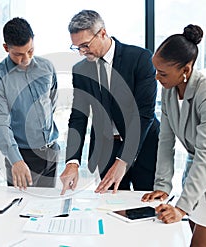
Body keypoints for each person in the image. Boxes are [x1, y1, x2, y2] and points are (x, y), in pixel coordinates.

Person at [60, 10, 160, 195]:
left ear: (102, 33)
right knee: (112, 209)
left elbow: (144, 114)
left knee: (146, 206)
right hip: (106, 149)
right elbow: (78, 117)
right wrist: (72, 161)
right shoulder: (80, 70)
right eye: (77, 48)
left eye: (85, 45)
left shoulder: (140, 58)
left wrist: (123, 159)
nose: (82, 52)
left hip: (144, 145)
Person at [141, 24, 206, 247]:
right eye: (156, 70)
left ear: (186, 69)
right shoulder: (169, 90)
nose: (156, 77)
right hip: (197, 178)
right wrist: (163, 186)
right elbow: (166, 141)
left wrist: (181, 207)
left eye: (162, 73)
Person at [0, 17, 59, 189]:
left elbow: (51, 102)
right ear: (6, 48)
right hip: (21, 156)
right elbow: (0, 125)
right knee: (19, 211)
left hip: (50, 151)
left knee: (48, 210)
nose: (26, 58)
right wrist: (16, 160)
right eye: (18, 54)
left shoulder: (47, 67)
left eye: (30, 51)